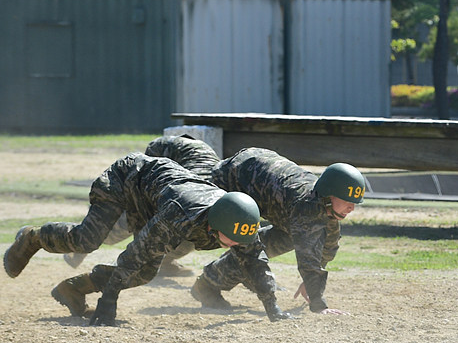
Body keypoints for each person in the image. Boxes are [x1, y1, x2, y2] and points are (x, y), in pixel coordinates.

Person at [3, 152, 291, 325]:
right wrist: (109, 301)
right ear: (216, 225)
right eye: (229, 240)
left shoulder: (240, 222)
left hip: (151, 198)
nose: (234, 246)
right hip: (126, 178)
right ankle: (33, 237)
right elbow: (136, 251)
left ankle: (74, 289)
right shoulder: (182, 214)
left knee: (146, 272)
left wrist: (272, 307)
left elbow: (255, 259)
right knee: (87, 240)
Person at [190, 148, 364, 315]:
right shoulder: (307, 208)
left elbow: (329, 242)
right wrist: (318, 303)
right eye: (347, 200)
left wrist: (313, 281)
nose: (352, 208)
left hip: (262, 181)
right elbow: (308, 258)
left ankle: (234, 277)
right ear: (330, 195)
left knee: (281, 241)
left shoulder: (324, 206)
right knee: (242, 243)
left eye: (354, 202)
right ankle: (207, 286)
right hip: (237, 176)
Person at [62, 134, 221, 275]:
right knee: (136, 218)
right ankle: (84, 240)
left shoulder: (220, 197)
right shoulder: (201, 199)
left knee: (186, 232)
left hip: (186, 158)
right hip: (166, 151)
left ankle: (164, 264)